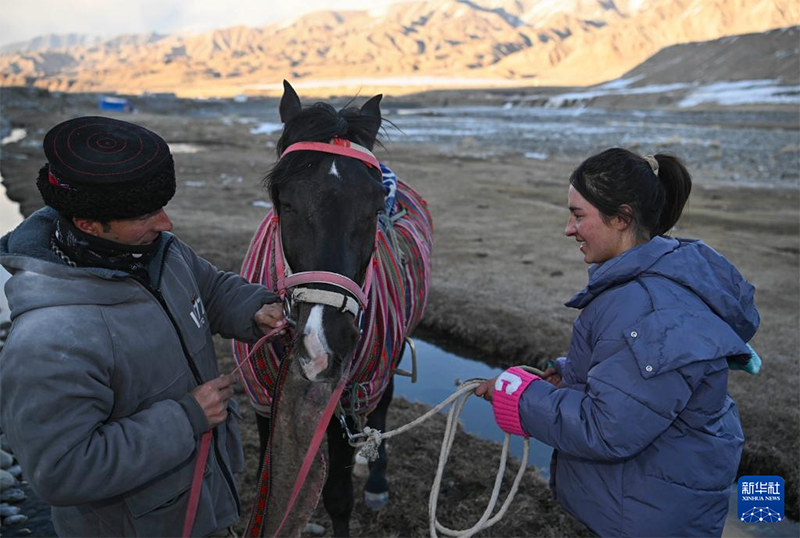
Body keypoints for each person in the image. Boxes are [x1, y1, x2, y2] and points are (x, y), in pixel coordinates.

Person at [0, 116, 287, 538]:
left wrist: (253, 309)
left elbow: (209, 290)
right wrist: (187, 416)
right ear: (89, 224)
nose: (166, 224)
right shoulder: (48, 341)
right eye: (146, 214)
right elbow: (61, 471)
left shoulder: (158, 252)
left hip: (200, 499)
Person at [476, 148, 760, 537]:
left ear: (622, 218)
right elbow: (636, 381)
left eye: (578, 215)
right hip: (650, 501)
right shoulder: (649, 286)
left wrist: (518, 398)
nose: (568, 228)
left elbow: (607, 429)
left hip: (648, 519)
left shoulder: (647, 307)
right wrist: (572, 374)